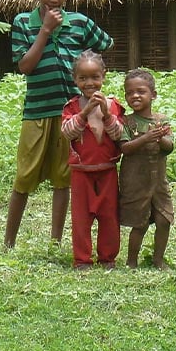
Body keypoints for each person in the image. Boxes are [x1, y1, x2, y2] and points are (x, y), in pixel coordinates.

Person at [4, 0, 114, 250]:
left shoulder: (78, 22)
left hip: (73, 114)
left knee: (63, 178)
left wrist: (87, 73)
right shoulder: (22, 23)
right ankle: (9, 241)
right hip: (38, 112)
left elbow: (105, 43)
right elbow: (25, 66)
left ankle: (55, 241)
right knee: (24, 177)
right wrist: (45, 31)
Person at [60, 51, 125, 270]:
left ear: (103, 76)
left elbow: (118, 135)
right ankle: (82, 259)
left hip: (107, 170)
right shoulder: (71, 107)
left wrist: (106, 114)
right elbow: (68, 132)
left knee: (109, 216)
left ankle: (108, 258)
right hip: (81, 172)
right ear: (75, 79)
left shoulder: (113, 105)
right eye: (83, 78)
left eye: (95, 77)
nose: (90, 83)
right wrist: (85, 112)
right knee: (81, 219)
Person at [119, 68, 175, 270]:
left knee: (164, 220)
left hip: (158, 182)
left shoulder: (162, 121)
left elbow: (170, 147)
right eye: (129, 92)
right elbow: (124, 148)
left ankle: (158, 259)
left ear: (153, 95)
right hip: (135, 181)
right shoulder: (126, 121)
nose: (135, 96)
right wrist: (145, 138)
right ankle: (131, 261)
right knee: (140, 223)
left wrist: (160, 139)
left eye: (141, 91)